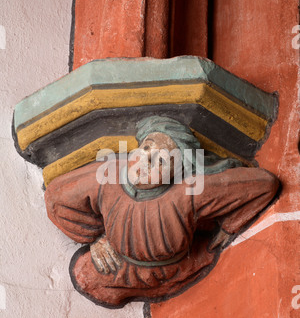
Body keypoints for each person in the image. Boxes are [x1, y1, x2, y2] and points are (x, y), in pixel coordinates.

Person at [45, 116, 280, 308]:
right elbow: (57, 196)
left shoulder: (189, 190)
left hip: (176, 270)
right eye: (146, 149)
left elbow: (262, 184)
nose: (145, 161)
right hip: (118, 267)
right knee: (84, 274)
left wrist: (230, 226)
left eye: (161, 162)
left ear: (177, 172)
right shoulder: (110, 176)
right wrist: (94, 238)